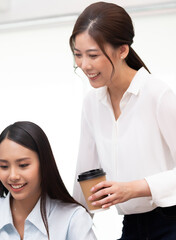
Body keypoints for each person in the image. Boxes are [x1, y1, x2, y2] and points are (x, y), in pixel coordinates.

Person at [70, 2, 176, 239]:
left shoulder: (158, 95)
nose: (84, 65)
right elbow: (84, 176)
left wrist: (133, 188)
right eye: (78, 55)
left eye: (93, 55)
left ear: (123, 51)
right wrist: (69, 224)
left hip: (170, 221)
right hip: (132, 225)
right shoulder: (92, 103)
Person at [0, 121, 95, 240]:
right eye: (4, 166)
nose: (13, 176)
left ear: (44, 164)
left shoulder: (73, 218)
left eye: (23, 165)